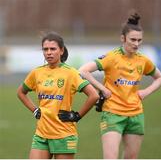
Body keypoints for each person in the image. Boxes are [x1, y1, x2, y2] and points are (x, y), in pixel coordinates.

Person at [79, 12, 161, 159]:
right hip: (112, 114)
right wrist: (102, 88)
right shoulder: (111, 57)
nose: (136, 44)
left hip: (136, 115)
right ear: (123, 38)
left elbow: (160, 78)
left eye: (139, 40)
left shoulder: (143, 60)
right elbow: (83, 70)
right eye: (133, 39)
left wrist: (146, 92)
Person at [17, 31, 99, 159]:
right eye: (45, 49)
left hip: (64, 134)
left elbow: (94, 95)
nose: (48, 52)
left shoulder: (71, 73)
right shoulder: (37, 72)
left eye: (53, 49)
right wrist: (34, 110)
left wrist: (77, 116)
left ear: (61, 51)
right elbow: (21, 92)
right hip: (41, 134)